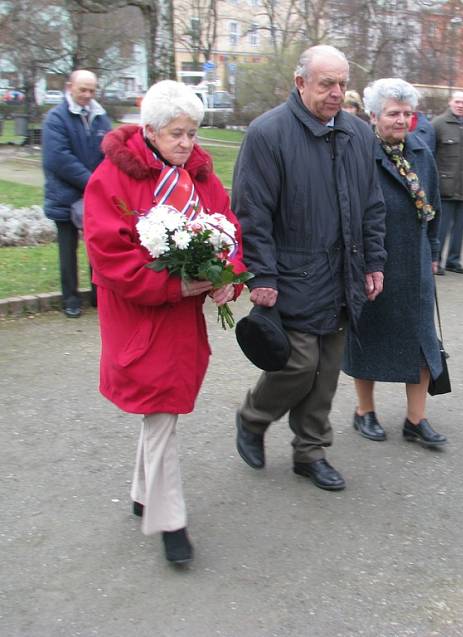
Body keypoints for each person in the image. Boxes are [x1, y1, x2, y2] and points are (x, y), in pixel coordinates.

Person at [82, 80, 246, 564]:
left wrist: (226, 278)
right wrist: (171, 287)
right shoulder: (111, 179)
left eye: (193, 133)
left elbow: (228, 229)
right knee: (161, 409)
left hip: (181, 319)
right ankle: (170, 521)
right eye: (177, 133)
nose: (187, 143)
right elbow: (110, 258)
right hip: (138, 318)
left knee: (163, 406)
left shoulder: (199, 175)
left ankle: (140, 492)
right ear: (150, 130)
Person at [232, 45, 387, 491]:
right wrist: (261, 275)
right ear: (300, 84)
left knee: (327, 370)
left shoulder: (359, 134)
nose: (337, 92)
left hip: (344, 272)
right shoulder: (268, 134)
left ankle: (310, 451)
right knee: (299, 363)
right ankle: (254, 417)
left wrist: (374, 261)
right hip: (292, 273)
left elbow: (372, 206)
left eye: (342, 83)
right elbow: (251, 211)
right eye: (326, 84)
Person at [343, 77, 448, 448]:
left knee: (422, 342)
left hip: (415, 265)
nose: (401, 120)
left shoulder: (421, 152)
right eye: (392, 113)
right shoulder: (359, 154)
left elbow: (434, 209)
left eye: (407, 113)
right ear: (374, 116)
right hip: (373, 264)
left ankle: (415, 420)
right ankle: (364, 411)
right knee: (367, 339)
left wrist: (433, 254)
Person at [42, 70, 112, 317]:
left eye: (91, 90)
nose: (87, 95)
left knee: (97, 248)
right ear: (70, 87)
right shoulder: (56, 118)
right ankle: (70, 298)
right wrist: (93, 182)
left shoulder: (101, 118)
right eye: (82, 89)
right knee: (67, 250)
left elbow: (110, 153)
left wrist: (103, 182)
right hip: (65, 196)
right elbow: (58, 158)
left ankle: (98, 294)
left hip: (95, 198)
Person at [432, 90, 463, 275]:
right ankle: (436, 261)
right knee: (441, 228)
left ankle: (454, 261)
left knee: (459, 228)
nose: (460, 105)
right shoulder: (438, 124)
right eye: (457, 101)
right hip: (444, 186)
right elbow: (430, 154)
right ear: (450, 102)